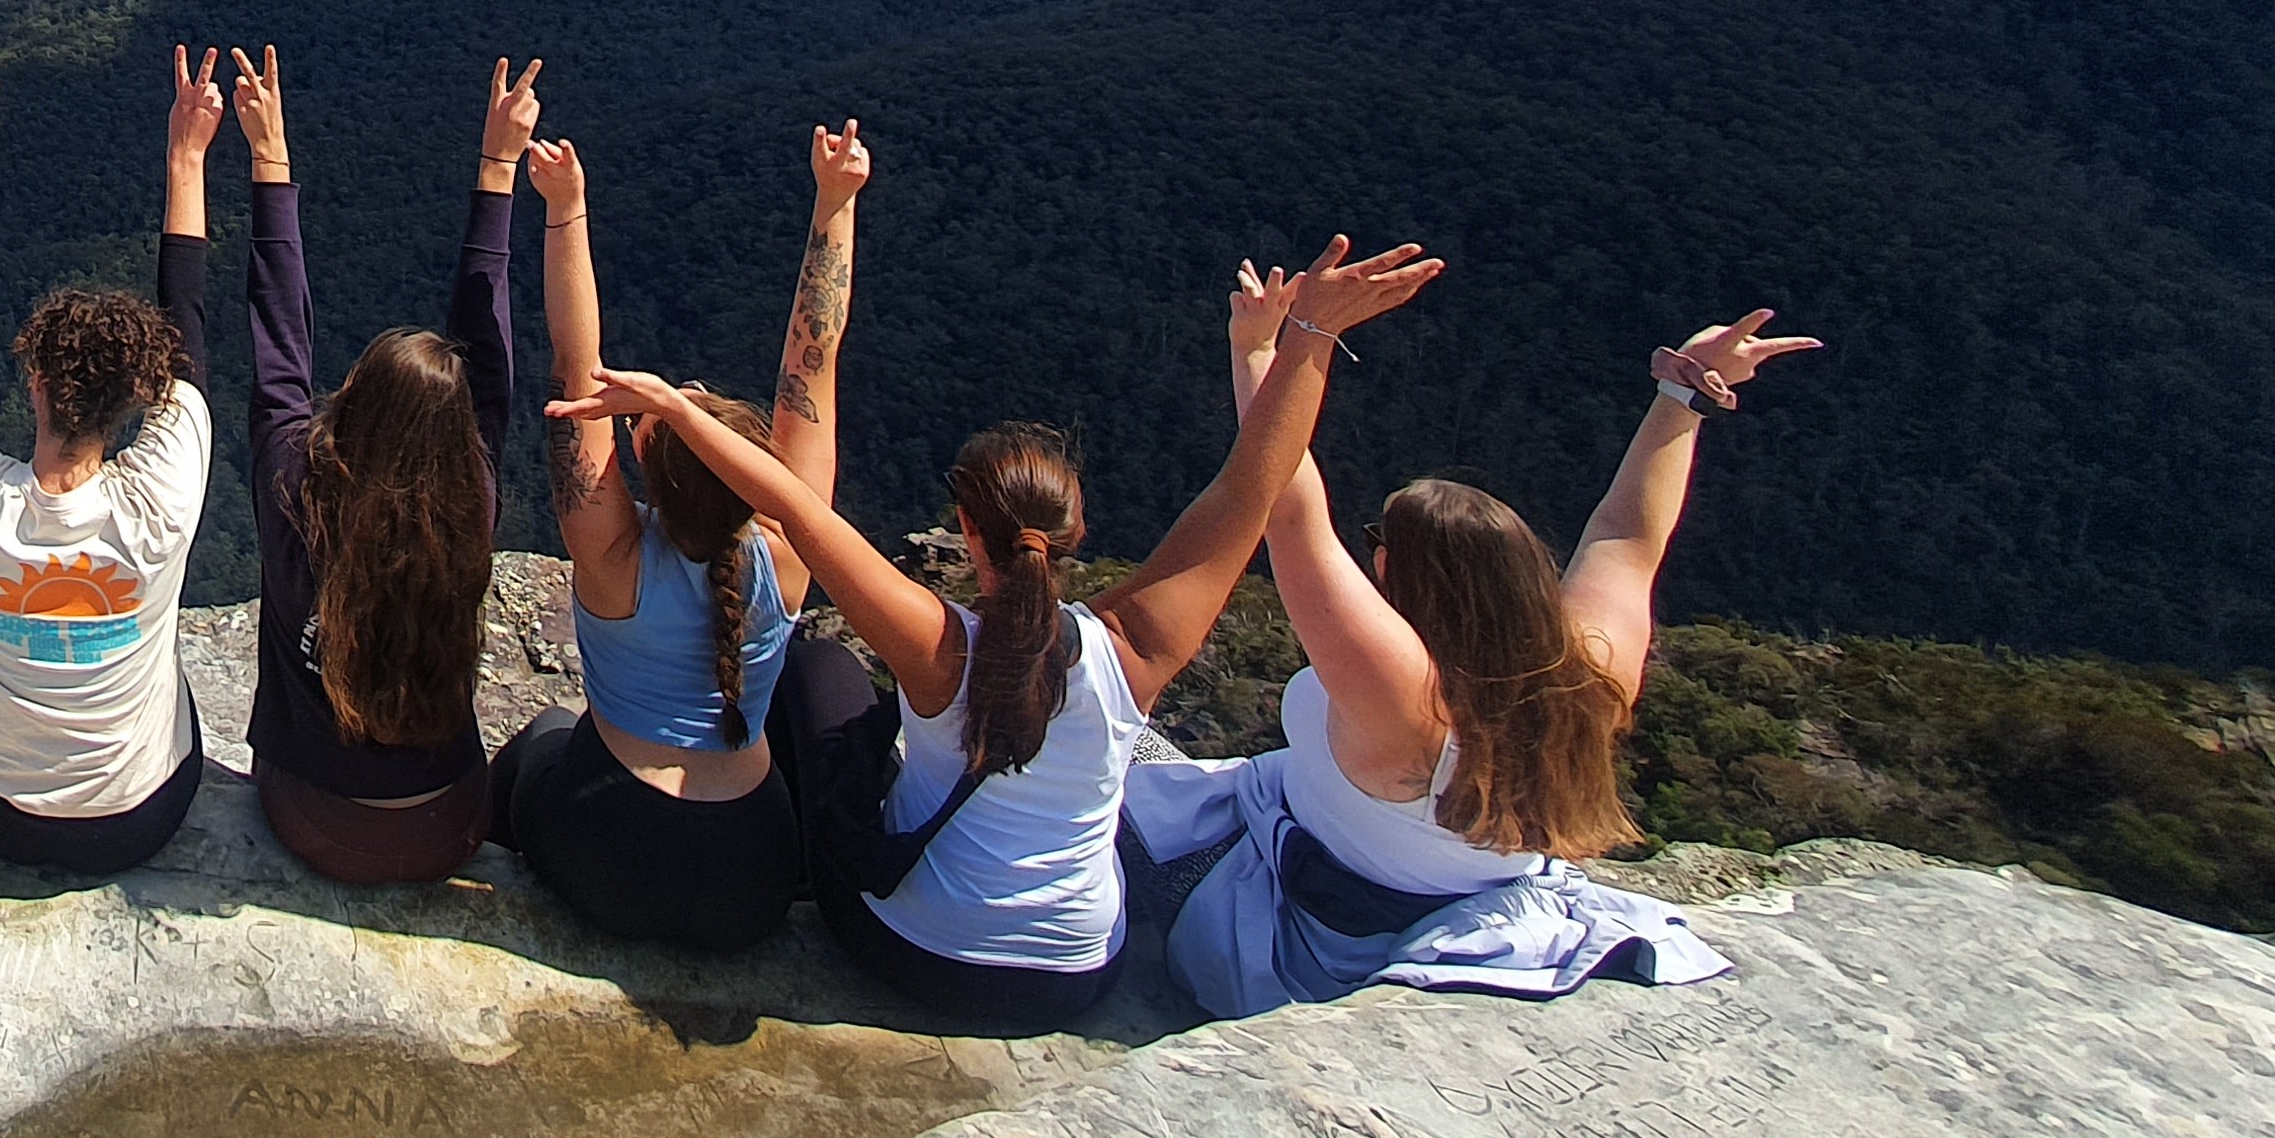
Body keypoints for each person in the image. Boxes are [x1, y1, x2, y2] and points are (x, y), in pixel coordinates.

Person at [569, 222, 1448, 1024]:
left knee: (819, 673)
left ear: (964, 527)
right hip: (1072, 974)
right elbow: (1254, 483)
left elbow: (798, 510)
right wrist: (1303, 341)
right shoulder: (1136, 650)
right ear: (1076, 533)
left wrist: (675, 411)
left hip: (910, 952)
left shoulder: (936, 646)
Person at [1132, 287, 1808, 1014]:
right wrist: (1682, 396)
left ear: (1393, 568)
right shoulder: (1588, 676)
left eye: (1378, 540)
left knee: (1094, 736)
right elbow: (1627, 536)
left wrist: (1267, 350)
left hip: (1300, 928)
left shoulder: (1403, 694)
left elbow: (1289, 510)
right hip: (1473, 916)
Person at [480, 125, 815, 950]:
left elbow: (577, 365)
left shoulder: (613, 559)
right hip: (753, 876)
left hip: (606, 850)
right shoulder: (793, 550)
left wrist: (567, 208)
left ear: (642, 459)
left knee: (547, 734)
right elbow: (813, 366)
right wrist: (835, 205)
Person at [0, 46, 223, 874]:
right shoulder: (160, 503)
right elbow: (186, 322)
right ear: (137, 395)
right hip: (142, 814)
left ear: (36, 382)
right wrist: (187, 155)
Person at [235, 49, 520, 884]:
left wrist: (270, 157)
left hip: (311, 818)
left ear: (352, 409)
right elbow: (490, 369)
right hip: (450, 822)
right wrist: (497, 169)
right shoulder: (470, 503)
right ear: (458, 434)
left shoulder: (295, 490)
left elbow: (279, 347)